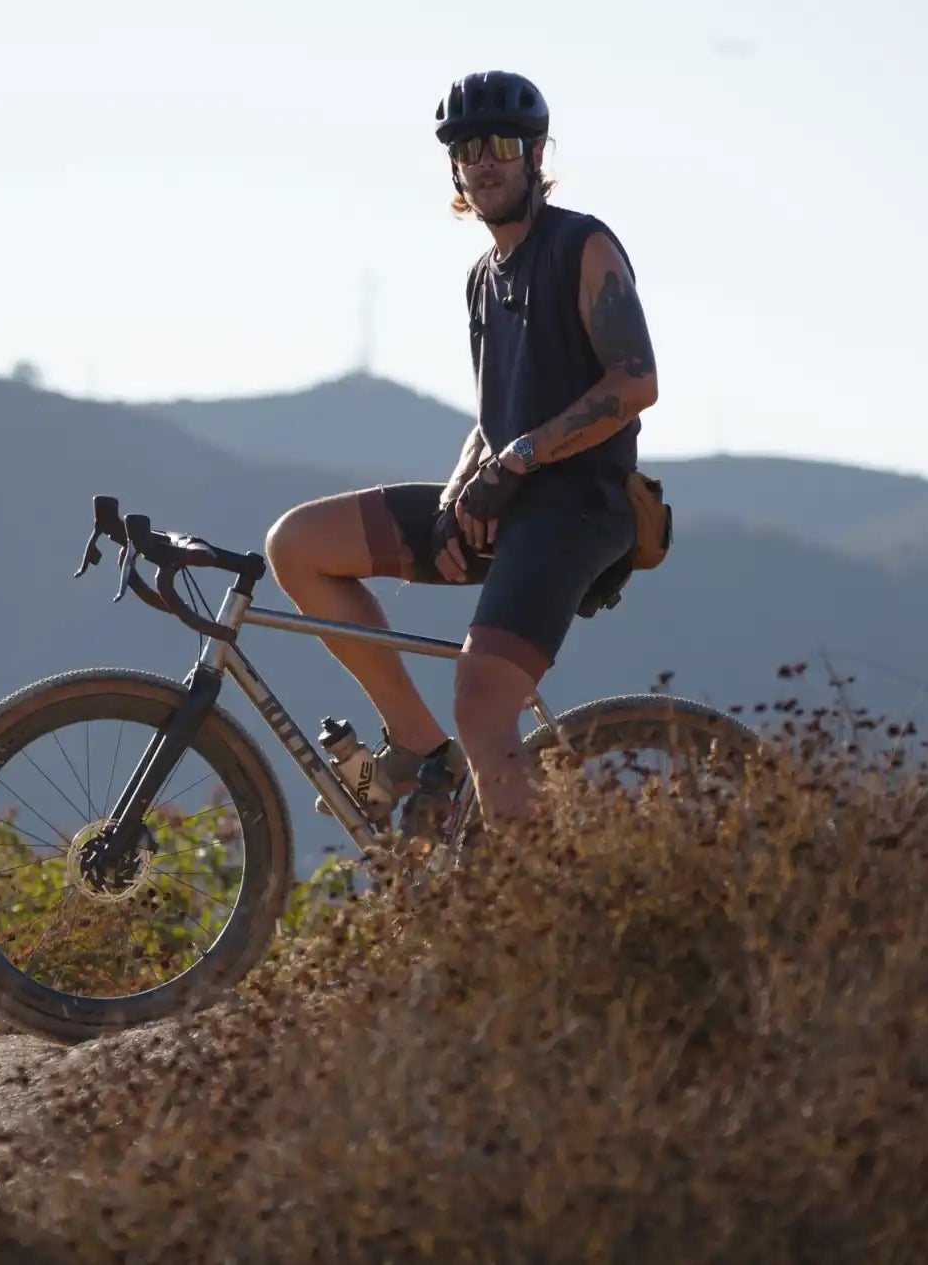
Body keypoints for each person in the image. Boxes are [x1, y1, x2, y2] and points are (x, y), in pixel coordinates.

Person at [264, 69, 659, 846]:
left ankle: (521, 914)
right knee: (298, 545)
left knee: (482, 699)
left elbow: (637, 380)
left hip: (581, 504)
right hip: (507, 500)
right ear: (454, 167)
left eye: (503, 146)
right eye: (468, 148)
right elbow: (491, 417)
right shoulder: (483, 278)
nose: (486, 162)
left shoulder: (583, 245)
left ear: (536, 153)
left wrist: (517, 460)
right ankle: (417, 744)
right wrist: (457, 494)